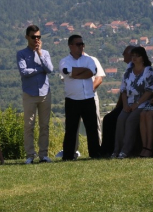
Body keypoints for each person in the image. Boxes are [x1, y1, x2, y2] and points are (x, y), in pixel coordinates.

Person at [16, 25, 54, 164]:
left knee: (44, 126)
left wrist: (40, 54)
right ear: (27, 37)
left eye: (38, 37)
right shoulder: (21, 54)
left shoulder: (45, 53)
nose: (36, 39)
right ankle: (30, 156)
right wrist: (39, 69)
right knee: (29, 125)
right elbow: (23, 72)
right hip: (29, 94)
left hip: (45, 93)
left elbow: (49, 69)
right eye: (33, 37)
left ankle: (43, 155)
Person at [59, 34, 100, 160]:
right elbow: (67, 71)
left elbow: (92, 71)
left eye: (82, 44)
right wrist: (83, 71)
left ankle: (95, 154)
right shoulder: (64, 61)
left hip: (88, 98)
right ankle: (68, 156)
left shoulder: (89, 60)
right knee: (71, 130)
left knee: (92, 128)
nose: (81, 46)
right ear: (70, 46)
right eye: (78, 44)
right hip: (72, 100)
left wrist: (76, 73)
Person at [112, 47, 153, 159]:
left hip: (142, 104)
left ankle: (125, 151)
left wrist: (136, 104)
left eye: (137, 56)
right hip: (128, 103)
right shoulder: (128, 72)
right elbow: (123, 90)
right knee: (121, 119)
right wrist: (126, 105)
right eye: (132, 56)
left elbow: (150, 91)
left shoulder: (149, 71)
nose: (134, 58)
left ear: (143, 57)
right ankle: (116, 150)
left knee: (130, 121)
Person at [99, 45, 134, 157]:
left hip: (131, 103)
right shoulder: (129, 68)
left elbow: (124, 90)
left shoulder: (131, 68)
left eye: (125, 52)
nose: (123, 54)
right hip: (126, 103)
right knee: (109, 119)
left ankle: (108, 149)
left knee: (109, 119)